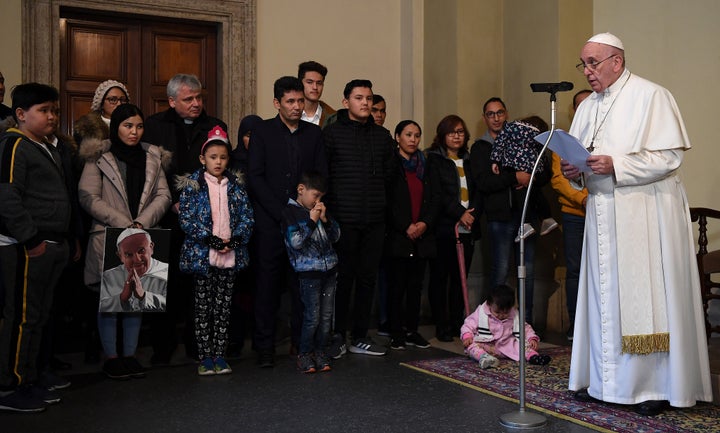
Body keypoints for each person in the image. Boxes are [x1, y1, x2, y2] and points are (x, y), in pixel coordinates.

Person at [562, 32, 712, 416]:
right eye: (584, 64)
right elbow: (581, 158)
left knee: (649, 298)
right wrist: (574, 171)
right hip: (601, 213)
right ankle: (603, 381)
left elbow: (670, 156)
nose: (587, 71)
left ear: (617, 60)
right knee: (602, 297)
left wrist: (618, 164)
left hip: (645, 211)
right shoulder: (587, 107)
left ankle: (653, 387)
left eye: (594, 63)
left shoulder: (652, 96)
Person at [78, 103, 171, 380]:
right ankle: (112, 357)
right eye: (128, 126)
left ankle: (129, 356)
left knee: (138, 300)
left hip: (144, 233)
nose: (134, 132)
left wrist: (142, 222)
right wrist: (123, 223)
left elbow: (163, 195)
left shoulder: (153, 155)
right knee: (110, 302)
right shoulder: (98, 156)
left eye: (139, 126)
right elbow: (87, 196)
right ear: (115, 126)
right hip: (110, 234)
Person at [143, 73, 227, 364]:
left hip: (203, 219)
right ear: (171, 100)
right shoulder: (154, 127)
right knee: (161, 283)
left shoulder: (214, 126)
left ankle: (197, 345)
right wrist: (172, 202)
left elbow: (219, 169)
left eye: (199, 98)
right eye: (188, 99)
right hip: (164, 216)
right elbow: (150, 173)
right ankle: (161, 348)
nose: (196, 103)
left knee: (199, 286)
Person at [0, 83, 71, 412]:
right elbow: (8, 196)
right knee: (22, 317)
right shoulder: (14, 145)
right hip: (27, 246)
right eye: (44, 110)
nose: (52, 116)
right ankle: (10, 386)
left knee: (39, 316)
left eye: (54, 110)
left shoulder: (47, 146)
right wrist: (30, 239)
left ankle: (31, 375)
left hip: (52, 243)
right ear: (20, 114)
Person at [247, 76, 327, 368]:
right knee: (267, 286)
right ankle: (264, 347)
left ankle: (300, 343)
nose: (296, 107)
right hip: (270, 221)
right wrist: (282, 211)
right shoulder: (262, 131)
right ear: (277, 103)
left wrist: (305, 212)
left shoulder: (314, 134)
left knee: (302, 287)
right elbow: (255, 176)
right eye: (290, 101)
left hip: (306, 222)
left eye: (300, 101)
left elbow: (319, 175)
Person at [323, 79, 395, 358]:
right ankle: (338, 334)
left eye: (368, 98)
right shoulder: (332, 134)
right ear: (346, 102)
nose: (365, 103)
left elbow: (390, 176)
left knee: (368, 279)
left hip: (375, 219)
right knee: (344, 279)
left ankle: (361, 335)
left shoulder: (382, 136)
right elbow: (325, 174)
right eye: (358, 98)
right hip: (344, 219)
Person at [177, 126, 254, 376]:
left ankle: (220, 355)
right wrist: (209, 239)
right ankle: (204, 357)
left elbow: (246, 217)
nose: (218, 162)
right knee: (202, 309)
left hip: (229, 256)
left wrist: (236, 240)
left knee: (223, 308)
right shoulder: (194, 185)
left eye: (222, 157)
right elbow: (187, 218)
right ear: (203, 159)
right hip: (204, 258)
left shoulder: (236, 186)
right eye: (213, 157)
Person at [472, 97, 551, 325]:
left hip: (527, 214)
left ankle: (526, 324)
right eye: (490, 114)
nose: (496, 118)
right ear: (485, 118)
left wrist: (531, 176)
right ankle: (494, 323)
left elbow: (544, 173)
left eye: (500, 113)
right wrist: (514, 177)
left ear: (507, 114)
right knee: (501, 271)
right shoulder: (481, 146)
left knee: (528, 270)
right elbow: (484, 182)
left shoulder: (525, 139)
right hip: (500, 217)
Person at [425, 114, 479, 343]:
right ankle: (442, 324)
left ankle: (459, 323)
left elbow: (478, 190)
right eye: (451, 132)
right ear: (442, 136)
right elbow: (438, 194)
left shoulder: (469, 159)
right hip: (445, 228)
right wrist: (460, 213)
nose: (457, 136)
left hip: (468, 228)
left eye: (460, 131)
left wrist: (472, 215)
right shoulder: (435, 160)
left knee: (460, 278)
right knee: (440, 278)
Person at [281, 171, 340, 373]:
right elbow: (296, 242)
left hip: (329, 271)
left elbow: (336, 237)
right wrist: (312, 222)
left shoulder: (319, 210)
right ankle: (305, 353)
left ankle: (321, 351)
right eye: (315, 196)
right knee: (312, 317)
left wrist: (325, 220)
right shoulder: (290, 213)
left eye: (321, 198)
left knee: (326, 317)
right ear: (301, 190)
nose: (318, 201)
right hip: (308, 273)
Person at [386, 120, 437, 350]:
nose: (413, 139)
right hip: (399, 235)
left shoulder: (425, 164)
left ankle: (412, 330)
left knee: (416, 286)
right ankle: (396, 331)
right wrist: (406, 225)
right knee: (397, 286)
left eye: (417, 135)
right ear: (398, 137)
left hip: (422, 235)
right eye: (408, 134)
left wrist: (424, 223)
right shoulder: (391, 164)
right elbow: (388, 201)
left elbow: (435, 198)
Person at [550, 89, 591, 341]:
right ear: (574, 110)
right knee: (575, 271)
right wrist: (583, 199)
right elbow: (559, 180)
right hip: (575, 215)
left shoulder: (607, 135)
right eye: (580, 105)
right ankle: (575, 326)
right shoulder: (565, 140)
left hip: (603, 213)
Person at [491, 116, 558, 241]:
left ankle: (525, 224)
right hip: (532, 167)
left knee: (521, 192)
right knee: (536, 192)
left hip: (514, 165)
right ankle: (547, 217)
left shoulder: (511, 128)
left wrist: (495, 160)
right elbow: (542, 156)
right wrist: (534, 176)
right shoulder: (538, 136)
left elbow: (499, 143)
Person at [461, 284, 551, 369]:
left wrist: (532, 338)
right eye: (497, 312)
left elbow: (525, 328)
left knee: (524, 346)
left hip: (507, 345)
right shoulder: (481, 313)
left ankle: (533, 357)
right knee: (471, 346)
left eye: (505, 312)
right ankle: (484, 357)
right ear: (489, 304)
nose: (501, 315)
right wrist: (467, 336)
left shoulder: (514, 314)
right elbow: (468, 325)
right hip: (487, 345)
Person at [100, 229, 168, 313]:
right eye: (129, 254)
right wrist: (122, 298)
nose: (137, 259)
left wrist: (144, 296)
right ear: (120, 256)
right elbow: (101, 308)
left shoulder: (166, 272)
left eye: (141, 251)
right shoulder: (107, 278)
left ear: (151, 248)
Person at [73, 80, 130, 154]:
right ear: (102, 103)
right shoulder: (87, 128)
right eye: (113, 99)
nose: (119, 104)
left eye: (123, 100)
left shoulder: (133, 127)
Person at [298, 61, 336, 127]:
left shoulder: (333, 117)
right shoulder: (289, 114)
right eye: (310, 82)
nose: (315, 87)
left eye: (319, 83)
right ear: (300, 83)